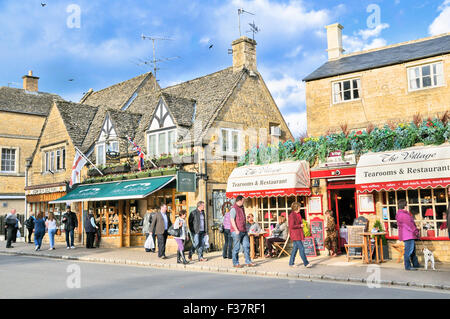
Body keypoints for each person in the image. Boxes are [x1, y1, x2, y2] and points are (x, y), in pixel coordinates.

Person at [229, 195, 256, 268]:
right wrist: (236, 229)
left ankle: (248, 262)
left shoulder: (242, 208)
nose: (244, 202)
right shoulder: (233, 209)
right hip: (236, 231)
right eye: (243, 201)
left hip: (244, 230)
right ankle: (235, 263)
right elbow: (232, 220)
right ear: (240, 200)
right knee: (236, 248)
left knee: (246, 246)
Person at [396, 199, 420, 271]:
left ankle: (415, 264)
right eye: (407, 206)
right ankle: (408, 266)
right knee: (409, 251)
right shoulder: (405, 215)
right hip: (408, 235)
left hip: (406, 234)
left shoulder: (400, 214)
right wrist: (417, 232)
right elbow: (411, 226)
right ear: (405, 206)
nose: (407, 207)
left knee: (412, 250)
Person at [288, 202, 311, 268]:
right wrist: (300, 225)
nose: (300, 209)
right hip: (295, 234)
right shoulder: (292, 215)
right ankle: (306, 263)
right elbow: (291, 226)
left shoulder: (298, 214)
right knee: (301, 248)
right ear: (296, 208)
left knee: (295, 249)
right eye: (299, 207)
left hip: (298, 233)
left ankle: (291, 263)